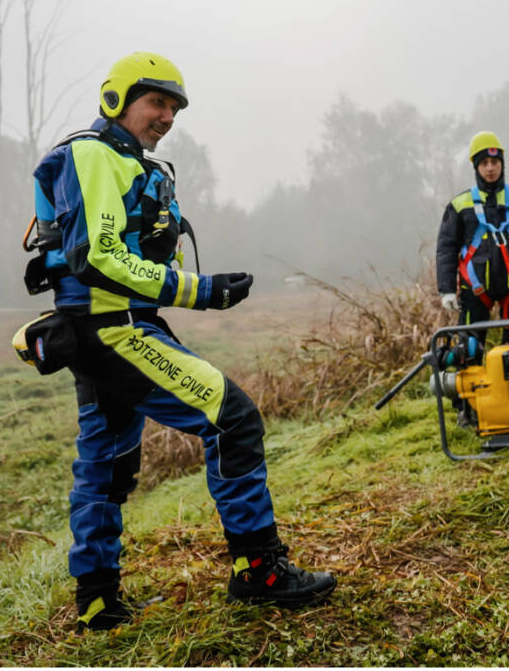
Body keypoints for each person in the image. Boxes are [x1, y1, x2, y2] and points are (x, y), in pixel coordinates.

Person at [24, 52, 335, 631]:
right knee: (233, 418)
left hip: (100, 330)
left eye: (174, 108)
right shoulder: (93, 155)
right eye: (156, 102)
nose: (167, 116)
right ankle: (259, 571)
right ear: (117, 100)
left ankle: (97, 600)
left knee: (107, 465)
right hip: (112, 329)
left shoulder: (130, 163)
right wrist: (203, 291)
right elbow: (99, 257)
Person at [436, 131, 509, 345]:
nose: (490, 168)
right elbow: (446, 248)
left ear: (502, 164)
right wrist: (446, 289)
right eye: (484, 163)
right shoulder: (460, 205)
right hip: (475, 288)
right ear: (476, 167)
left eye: (495, 162)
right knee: (468, 352)